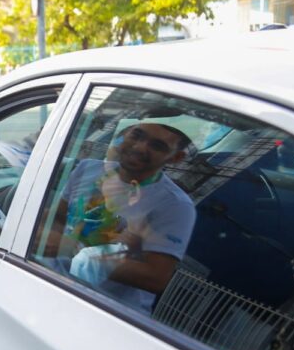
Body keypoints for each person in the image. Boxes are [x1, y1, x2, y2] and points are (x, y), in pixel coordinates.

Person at [42, 122, 197, 313]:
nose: (140, 147)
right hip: (50, 283)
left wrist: (72, 249)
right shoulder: (87, 168)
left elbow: (155, 277)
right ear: (124, 134)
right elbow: (58, 216)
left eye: (157, 146)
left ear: (176, 158)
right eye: (136, 136)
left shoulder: (175, 205)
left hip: (105, 311)